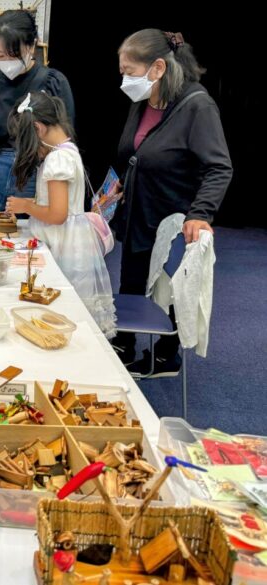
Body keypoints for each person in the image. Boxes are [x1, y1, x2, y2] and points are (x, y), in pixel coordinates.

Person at [112, 29, 232, 376]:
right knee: (130, 282)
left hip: (173, 217)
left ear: (158, 68)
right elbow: (137, 153)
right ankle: (124, 346)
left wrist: (200, 214)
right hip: (138, 211)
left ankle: (167, 355)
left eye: (129, 71)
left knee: (170, 292)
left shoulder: (197, 105)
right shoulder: (143, 101)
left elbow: (219, 167)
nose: (124, 79)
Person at [6, 92, 117, 339]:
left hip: (65, 246)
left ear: (38, 128)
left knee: (64, 309)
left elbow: (57, 214)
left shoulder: (57, 159)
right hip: (69, 240)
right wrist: (34, 204)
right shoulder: (67, 151)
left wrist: (26, 206)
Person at [0, 9, 74, 212]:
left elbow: (64, 138)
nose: (7, 61)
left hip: (36, 175)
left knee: (29, 240)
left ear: (32, 45)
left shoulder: (53, 83)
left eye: (15, 55)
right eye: (0, 55)